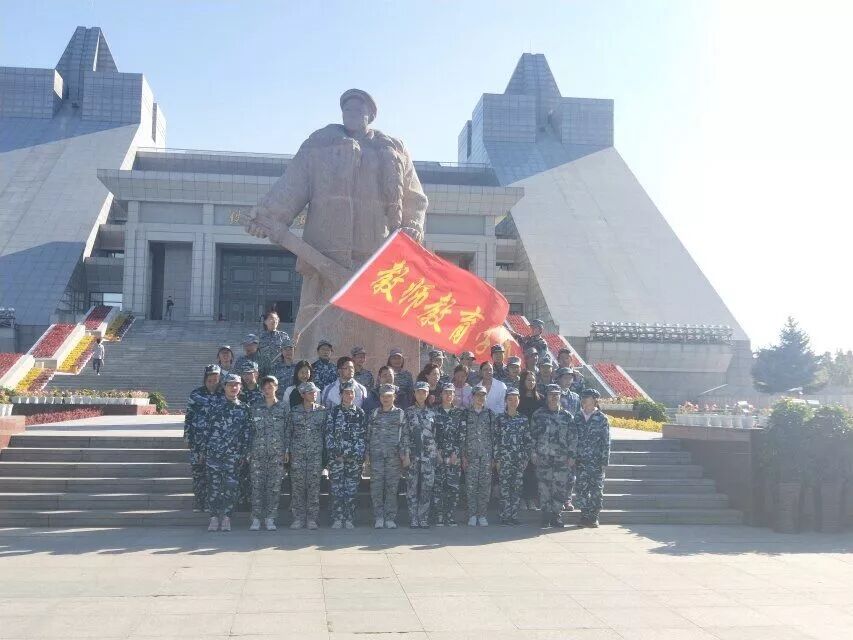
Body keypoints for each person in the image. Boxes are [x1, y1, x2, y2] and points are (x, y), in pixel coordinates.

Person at [201, 374, 250, 532]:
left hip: (233, 455)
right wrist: (202, 450)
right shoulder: (213, 406)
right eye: (230, 385)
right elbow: (204, 430)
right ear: (224, 386)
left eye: (237, 385)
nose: (234, 387)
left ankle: (227, 518)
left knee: (231, 487)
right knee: (213, 486)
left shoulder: (244, 408)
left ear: (240, 387)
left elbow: (246, 433)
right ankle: (214, 518)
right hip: (214, 453)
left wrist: (243, 453)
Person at [531, 384, 577, 528]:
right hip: (543, 457)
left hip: (561, 458)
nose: (554, 397)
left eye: (557, 394)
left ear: (560, 396)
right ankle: (546, 515)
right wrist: (533, 452)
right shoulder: (538, 415)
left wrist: (572, 455)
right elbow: (532, 435)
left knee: (560, 487)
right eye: (551, 394)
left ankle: (556, 516)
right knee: (544, 487)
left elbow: (573, 438)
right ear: (546, 396)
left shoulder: (567, 416)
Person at [284, 381, 328, 529]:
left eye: (315, 392)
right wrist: (287, 451)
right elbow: (288, 433)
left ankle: (312, 519)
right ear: (303, 395)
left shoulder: (322, 411)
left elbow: (325, 434)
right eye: (310, 392)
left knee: (313, 487)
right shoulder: (294, 412)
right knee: (298, 487)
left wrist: (325, 455)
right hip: (297, 455)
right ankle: (298, 518)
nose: (314, 394)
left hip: (315, 455)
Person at [325, 380, 367, 529]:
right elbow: (328, 434)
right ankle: (337, 518)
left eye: (351, 393)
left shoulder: (360, 413)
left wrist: (355, 454)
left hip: (354, 459)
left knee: (351, 490)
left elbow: (363, 436)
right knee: (336, 490)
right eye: (346, 393)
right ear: (341, 395)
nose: (349, 395)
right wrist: (336, 453)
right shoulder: (334, 412)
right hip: (337, 458)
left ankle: (349, 518)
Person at [366, 383, 409, 529]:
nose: (386, 399)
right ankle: (379, 517)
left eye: (389, 396)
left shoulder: (400, 414)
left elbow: (405, 435)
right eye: (383, 396)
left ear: (394, 397)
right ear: (380, 397)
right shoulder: (374, 413)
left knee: (392, 488)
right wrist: (367, 455)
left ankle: (390, 518)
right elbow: (368, 434)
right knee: (376, 488)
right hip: (376, 456)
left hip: (394, 457)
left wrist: (404, 454)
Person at [248, 375, 287, 531]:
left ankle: (270, 518)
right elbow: (250, 431)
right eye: (264, 387)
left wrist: (287, 450)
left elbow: (288, 430)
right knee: (257, 487)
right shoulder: (255, 407)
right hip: (257, 454)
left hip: (277, 454)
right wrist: (249, 450)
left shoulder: (283, 407)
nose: (267, 390)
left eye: (270, 387)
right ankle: (256, 518)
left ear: (276, 388)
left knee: (274, 487)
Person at [184, 364, 221, 512]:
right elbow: (189, 416)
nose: (213, 381)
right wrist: (187, 437)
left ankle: (212, 504)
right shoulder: (196, 394)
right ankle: (200, 503)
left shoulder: (223, 394)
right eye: (210, 378)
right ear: (205, 378)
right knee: (199, 474)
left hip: (217, 443)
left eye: (216, 378)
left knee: (214, 475)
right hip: (198, 442)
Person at [460, 384, 498, 526]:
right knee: (471, 486)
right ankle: (472, 515)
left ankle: (482, 515)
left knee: (485, 487)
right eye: (478, 395)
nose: (480, 398)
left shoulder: (490, 414)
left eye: (483, 395)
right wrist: (463, 456)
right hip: (471, 456)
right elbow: (462, 436)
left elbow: (495, 437)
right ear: (472, 397)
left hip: (486, 456)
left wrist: (494, 457)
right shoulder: (465, 414)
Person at [496, 387, 533, 525]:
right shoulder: (500, 419)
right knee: (504, 489)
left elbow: (528, 441)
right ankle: (505, 516)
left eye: (515, 399)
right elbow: (496, 440)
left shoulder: (523, 419)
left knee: (516, 488)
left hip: (519, 459)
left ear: (519, 401)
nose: (512, 402)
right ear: (506, 401)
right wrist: (497, 459)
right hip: (504, 460)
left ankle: (514, 516)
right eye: (510, 399)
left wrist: (526, 458)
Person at [575, 388, 611, 528]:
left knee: (596, 491)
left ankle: (594, 517)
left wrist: (604, 460)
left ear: (595, 399)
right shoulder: (577, 417)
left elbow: (606, 441)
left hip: (596, 462)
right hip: (581, 461)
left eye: (587, 397)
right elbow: (572, 438)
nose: (584, 399)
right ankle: (584, 516)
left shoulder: (601, 418)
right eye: (583, 397)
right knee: (581, 490)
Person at [404, 381, 437, 528]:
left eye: (424, 392)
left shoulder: (432, 413)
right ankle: (413, 518)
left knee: (426, 488)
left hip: (429, 456)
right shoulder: (408, 412)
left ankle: (423, 518)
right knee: (411, 488)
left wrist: (436, 454)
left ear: (428, 394)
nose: (421, 395)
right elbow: (404, 435)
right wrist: (405, 454)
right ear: (414, 393)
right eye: (418, 392)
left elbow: (436, 436)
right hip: (412, 456)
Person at [432, 382, 462, 526]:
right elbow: (431, 434)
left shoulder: (459, 413)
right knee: (438, 487)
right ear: (441, 394)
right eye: (446, 392)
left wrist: (456, 453)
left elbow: (462, 435)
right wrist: (436, 452)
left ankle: (449, 516)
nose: (448, 395)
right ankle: (438, 516)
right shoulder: (434, 412)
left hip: (454, 456)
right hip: (438, 455)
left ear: (454, 395)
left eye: (451, 393)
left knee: (453, 488)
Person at [518, 370, 543, 511]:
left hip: (536, 440)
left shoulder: (540, 399)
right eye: (528, 380)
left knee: (533, 471)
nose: (531, 382)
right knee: (522, 470)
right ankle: (522, 498)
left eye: (533, 380)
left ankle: (532, 499)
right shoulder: (518, 399)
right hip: (520, 439)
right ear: (523, 381)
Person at [257, 310, 291, 376]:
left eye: (276, 319)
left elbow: (289, 353)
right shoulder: (259, 336)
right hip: (263, 371)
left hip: (280, 371)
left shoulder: (283, 336)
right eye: (271, 318)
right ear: (265, 321)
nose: (274, 321)